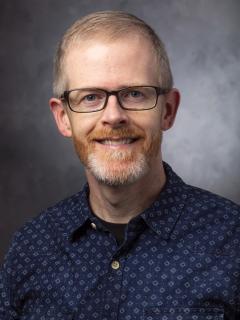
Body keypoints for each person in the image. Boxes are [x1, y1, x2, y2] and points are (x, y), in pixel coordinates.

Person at [0, 10, 239, 320]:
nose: (113, 116)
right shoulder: (30, 249)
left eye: (135, 93)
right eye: (90, 97)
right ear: (63, 117)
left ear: (168, 110)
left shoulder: (232, 241)